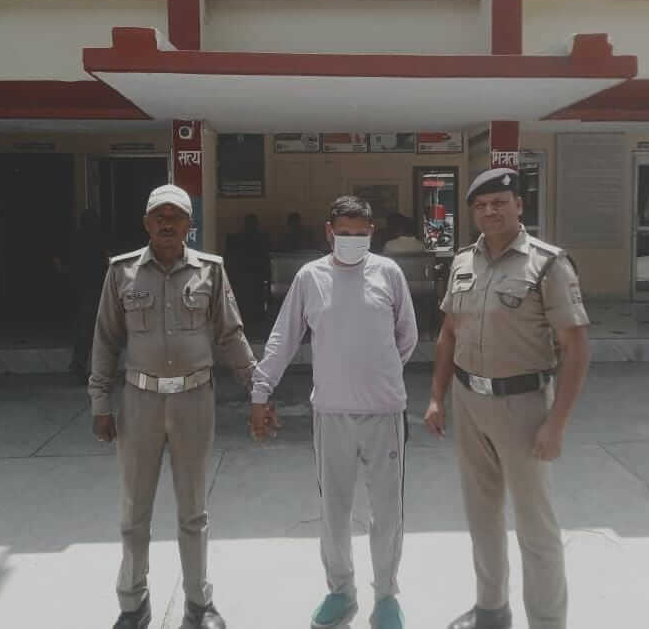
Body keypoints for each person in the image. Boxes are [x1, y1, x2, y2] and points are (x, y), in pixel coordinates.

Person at [89, 184, 271, 629]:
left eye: (175, 216)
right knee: (135, 513)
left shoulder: (210, 271)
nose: (167, 223)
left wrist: (258, 389)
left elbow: (230, 334)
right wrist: (100, 402)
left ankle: (199, 604)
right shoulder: (122, 272)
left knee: (193, 512)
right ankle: (133, 605)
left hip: (194, 401)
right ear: (146, 223)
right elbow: (106, 340)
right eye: (159, 215)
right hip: (140, 403)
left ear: (190, 224)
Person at [423, 168, 590, 629]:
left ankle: (547, 621)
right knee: (482, 515)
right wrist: (436, 397)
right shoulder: (463, 262)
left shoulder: (548, 264)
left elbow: (576, 347)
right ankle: (491, 610)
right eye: (480, 205)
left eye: (499, 202)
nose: (490, 211)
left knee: (535, 526)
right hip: (468, 401)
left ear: (519, 205)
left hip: (524, 406)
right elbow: (448, 334)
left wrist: (556, 423)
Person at [251, 195, 418, 629]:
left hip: (384, 413)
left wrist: (377, 373)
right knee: (335, 511)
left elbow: (406, 336)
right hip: (331, 414)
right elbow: (283, 338)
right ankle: (341, 591)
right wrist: (261, 390)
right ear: (329, 232)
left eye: (360, 234)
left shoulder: (389, 273)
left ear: (372, 233)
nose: (352, 240)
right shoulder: (311, 278)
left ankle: (386, 596)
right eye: (344, 233)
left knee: (387, 511)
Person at [68, 208, 108, 382]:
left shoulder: (77, 239)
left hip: (84, 289)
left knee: (85, 330)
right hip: (95, 289)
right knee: (93, 330)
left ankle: (79, 366)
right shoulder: (98, 239)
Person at [224, 213, 270, 333]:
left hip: (246, 277)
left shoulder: (238, 239)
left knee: (247, 304)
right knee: (251, 304)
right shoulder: (259, 239)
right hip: (251, 276)